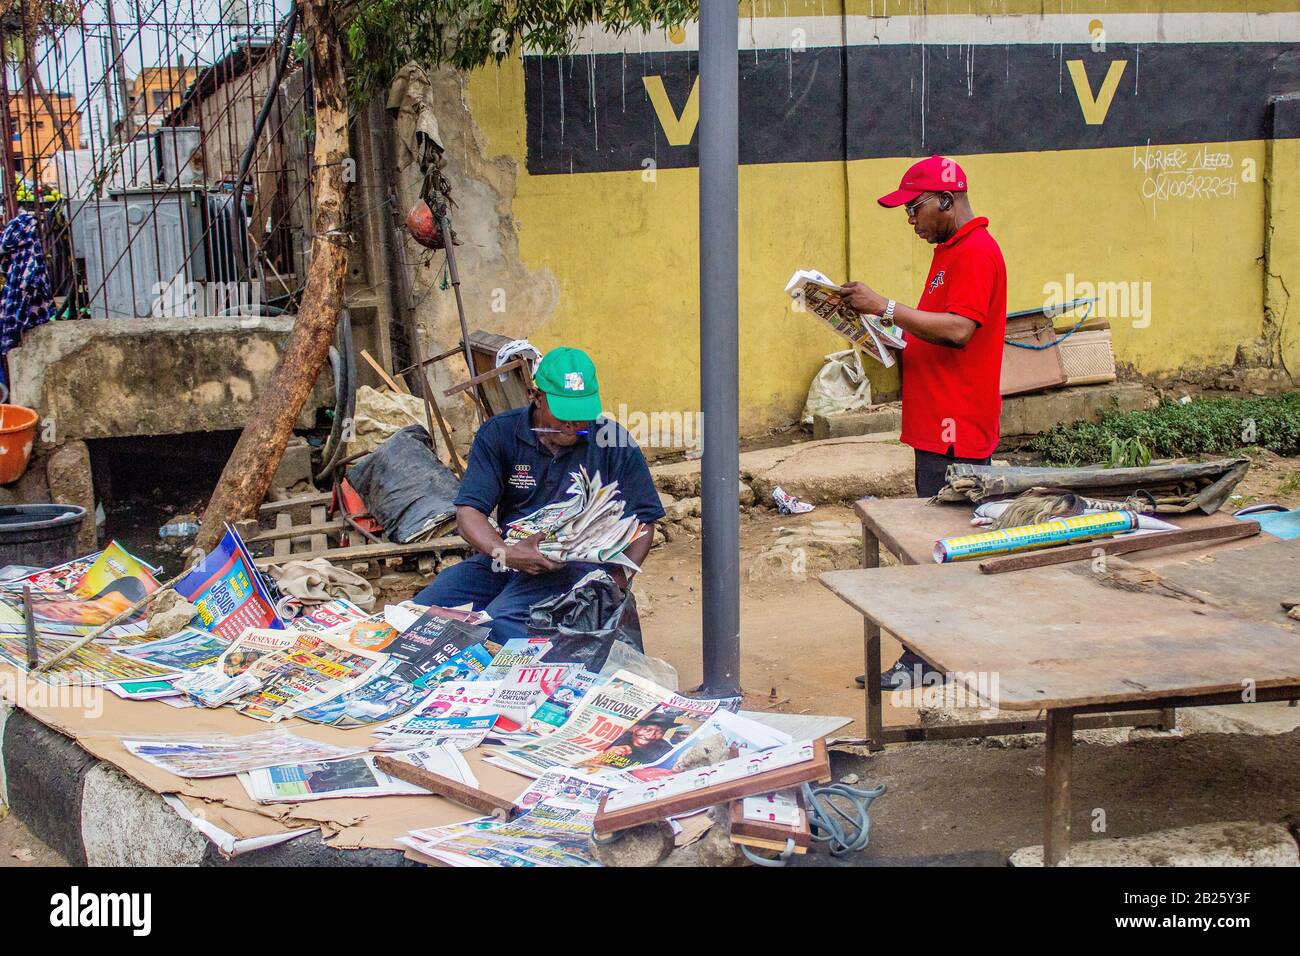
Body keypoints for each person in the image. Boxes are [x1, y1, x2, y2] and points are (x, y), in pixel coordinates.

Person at [840, 156, 1007, 691]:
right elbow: (936, 331)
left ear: (945, 200)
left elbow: (959, 330)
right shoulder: (948, 253)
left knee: (942, 547)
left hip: (956, 429)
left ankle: (931, 660)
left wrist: (886, 307)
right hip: (935, 424)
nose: (910, 220)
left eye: (914, 208)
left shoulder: (977, 252)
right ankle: (932, 657)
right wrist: (883, 332)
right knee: (935, 543)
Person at [414, 347, 664, 643]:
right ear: (535, 396)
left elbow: (644, 521)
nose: (574, 426)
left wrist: (618, 581)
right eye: (564, 415)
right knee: (423, 612)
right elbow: (469, 512)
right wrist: (504, 552)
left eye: (582, 416)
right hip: (507, 557)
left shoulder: (614, 441)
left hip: (576, 568)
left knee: (501, 622)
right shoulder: (499, 434)